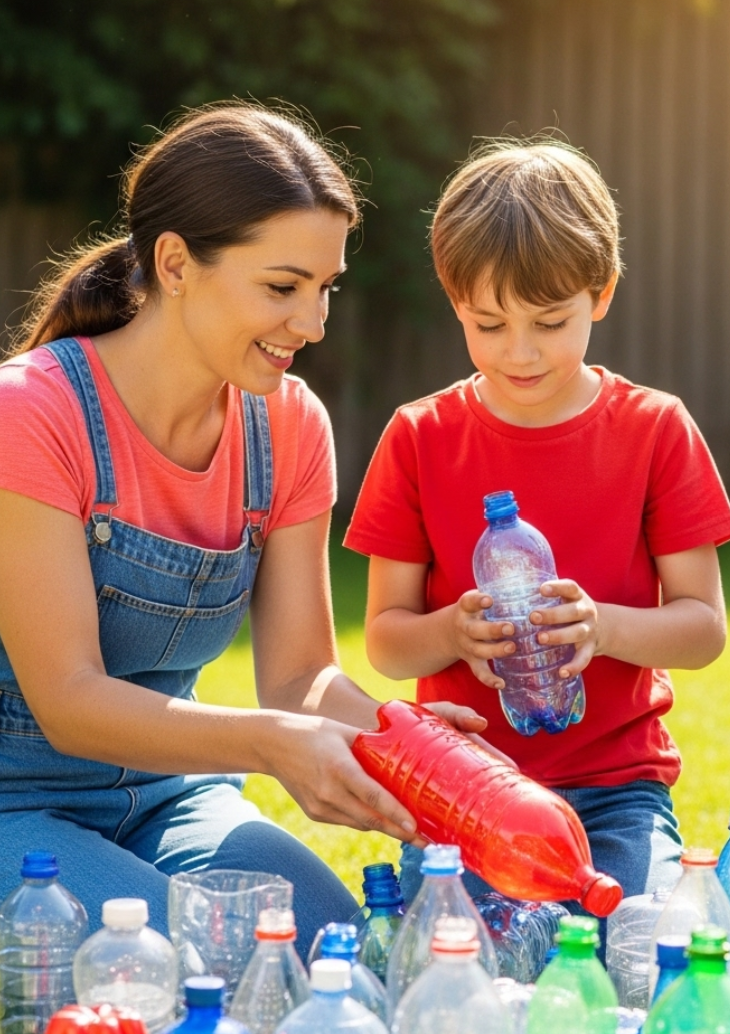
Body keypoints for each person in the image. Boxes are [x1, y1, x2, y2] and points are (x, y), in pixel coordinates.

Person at [0, 103, 490, 957]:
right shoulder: (32, 413)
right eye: (282, 287)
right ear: (177, 263)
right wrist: (272, 745)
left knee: (346, 954)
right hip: (14, 801)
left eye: (326, 288)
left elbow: (301, 675)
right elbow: (69, 701)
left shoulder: (289, 426)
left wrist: (403, 741)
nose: (313, 325)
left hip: (172, 798)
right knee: (186, 967)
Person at [344, 139, 730, 906]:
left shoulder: (655, 428)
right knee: (457, 974)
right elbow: (387, 641)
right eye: (488, 325)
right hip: (469, 789)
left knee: (636, 944)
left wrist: (601, 628)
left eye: (550, 321)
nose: (519, 354)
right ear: (453, 301)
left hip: (617, 791)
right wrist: (451, 634)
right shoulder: (419, 437)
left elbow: (704, 628)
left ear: (602, 293)